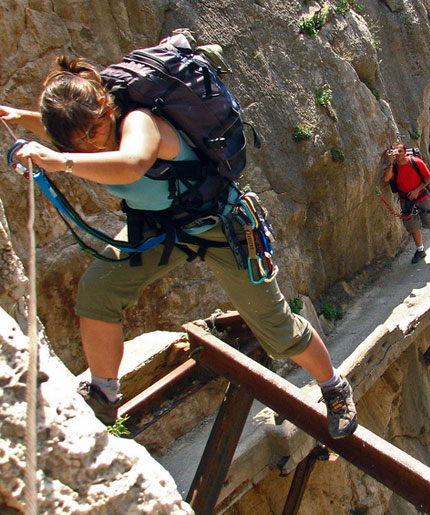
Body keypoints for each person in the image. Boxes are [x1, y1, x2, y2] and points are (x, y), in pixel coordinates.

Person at [1, 55, 357, 439]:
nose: (92, 141)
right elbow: (71, 130)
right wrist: (20, 117)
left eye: (96, 127)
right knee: (97, 291)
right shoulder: (81, 133)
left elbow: (132, 163)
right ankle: (104, 394)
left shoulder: (139, 122)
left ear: (107, 107)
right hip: (163, 228)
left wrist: (62, 161)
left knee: (277, 330)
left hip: (220, 224)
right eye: (79, 139)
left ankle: (334, 387)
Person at [382, 142, 430, 264]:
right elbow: (386, 178)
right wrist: (390, 163)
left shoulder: (416, 162)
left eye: (400, 151)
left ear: (405, 151)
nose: (398, 154)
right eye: (394, 152)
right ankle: (420, 250)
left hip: (421, 196)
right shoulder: (393, 167)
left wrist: (416, 190)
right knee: (413, 226)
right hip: (406, 199)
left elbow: (428, 178)